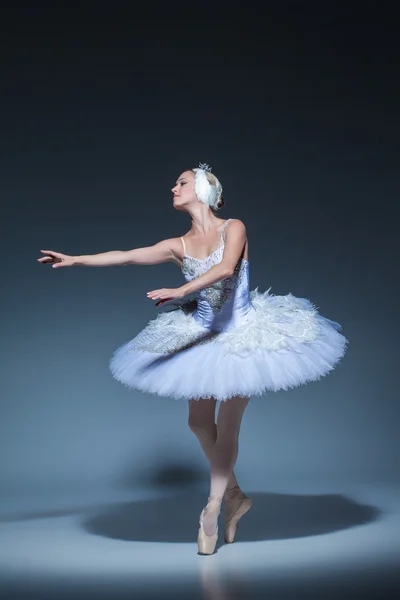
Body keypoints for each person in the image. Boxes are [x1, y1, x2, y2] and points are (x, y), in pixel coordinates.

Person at [37, 162, 348, 555]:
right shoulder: (178, 245)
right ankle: (235, 495)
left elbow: (224, 268)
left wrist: (181, 289)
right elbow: (130, 256)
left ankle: (213, 508)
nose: (173, 187)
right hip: (201, 336)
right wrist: (77, 259)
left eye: (181, 182)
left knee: (227, 423)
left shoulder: (233, 227)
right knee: (198, 422)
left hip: (244, 337)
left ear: (201, 188)